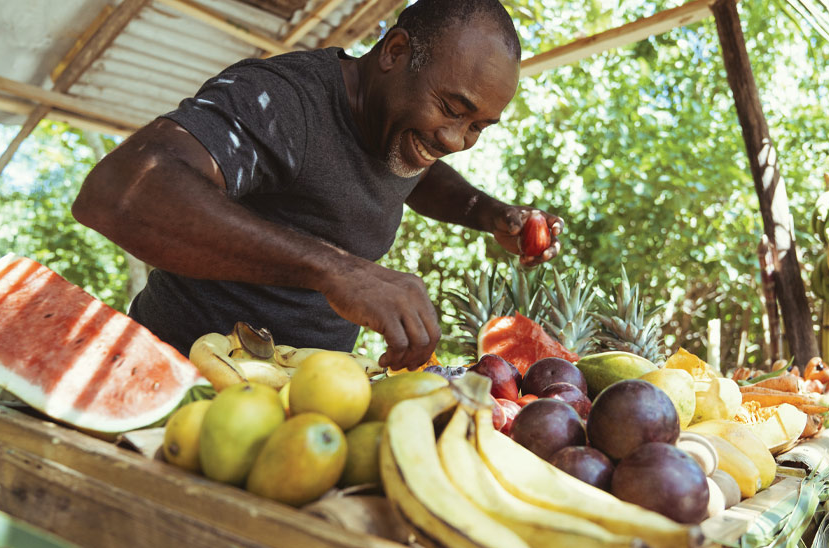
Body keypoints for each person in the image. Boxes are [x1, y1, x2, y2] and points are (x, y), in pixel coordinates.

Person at [72, 0, 563, 371]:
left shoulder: (398, 130)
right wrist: (336, 270)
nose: (457, 139)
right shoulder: (283, 101)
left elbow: (417, 173)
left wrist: (489, 213)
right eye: (453, 110)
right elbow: (119, 193)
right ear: (395, 52)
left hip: (298, 395)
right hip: (181, 372)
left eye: (479, 126)